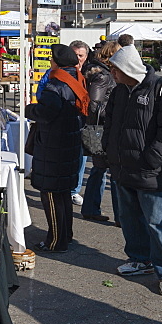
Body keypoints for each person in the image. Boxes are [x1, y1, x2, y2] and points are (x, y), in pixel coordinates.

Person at [103, 45, 162, 296]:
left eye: (115, 69)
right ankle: (140, 259)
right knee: (129, 218)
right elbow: (110, 123)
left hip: (150, 170)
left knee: (157, 223)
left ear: (127, 68)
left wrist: (151, 160)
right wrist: (108, 152)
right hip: (122, 167)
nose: (112, 74)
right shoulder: (119, 92)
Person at [25, 44, 88, 252]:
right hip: (69, 142)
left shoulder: (56, 83)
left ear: (57, 62)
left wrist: (30, 109)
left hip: (54, 144)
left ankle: (55, 241)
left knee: (51, 194)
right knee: (62, 194)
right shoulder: (77, 78)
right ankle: (65, 235)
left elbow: (46, 112)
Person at [78, 40, 120, 224]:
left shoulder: (98, 71)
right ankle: (122, 216)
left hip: (102, 128)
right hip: (103, 129)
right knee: (114, 172)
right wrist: (115, 111)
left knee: (99, 170)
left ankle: (91, 208)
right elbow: (94, 105)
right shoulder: (102, 75)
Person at [68, 40, 94, 206]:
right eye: (75, 55)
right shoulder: (60, 71)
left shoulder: (90, 73)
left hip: (83, 121)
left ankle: (74, 191)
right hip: (65, 121)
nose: (78, 59)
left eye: (81, 55)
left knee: (81, 157)